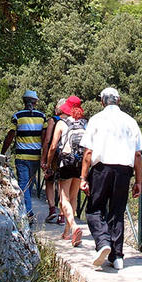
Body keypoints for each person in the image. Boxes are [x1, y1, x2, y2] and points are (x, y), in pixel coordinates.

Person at [80, 87, 142, 270]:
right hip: (124, 171)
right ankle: (117, 258)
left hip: (101, 169)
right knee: (117, 211)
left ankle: (102, 242)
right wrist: (138, 181)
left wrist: (83, 177)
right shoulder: (131, 121)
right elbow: (137, 155)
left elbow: (88, 152)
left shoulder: (96, 120)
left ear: (102, 101)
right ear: (119, 100)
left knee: (94, 209)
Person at [45, 95, 87, 247]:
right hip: (81, 162)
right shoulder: (84, 123)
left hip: (66, 162)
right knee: (74, 197)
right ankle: (67, 232)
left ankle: (74, 227)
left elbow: (53, 146)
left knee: (63, 198)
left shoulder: (61, 123)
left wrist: (49, 164)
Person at [1, 90, 46, 224]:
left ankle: (28, 213)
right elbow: (44, 138)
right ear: (35, 102)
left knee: (23, 186)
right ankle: (28, 211)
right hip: (36, 157)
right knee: (29, 186)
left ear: (24, 101)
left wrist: (3, 151)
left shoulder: (17, 116)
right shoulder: (42, 117)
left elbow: (10, 135)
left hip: (21, 156)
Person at [41, 99, 65, 223]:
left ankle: (52, 209)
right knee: (62, 184)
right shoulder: (71, 121)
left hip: (53, 155)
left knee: (49, 181)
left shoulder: (53, 120)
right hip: (66, 157)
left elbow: (47, 140)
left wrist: (44, 159)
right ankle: (62, 215)